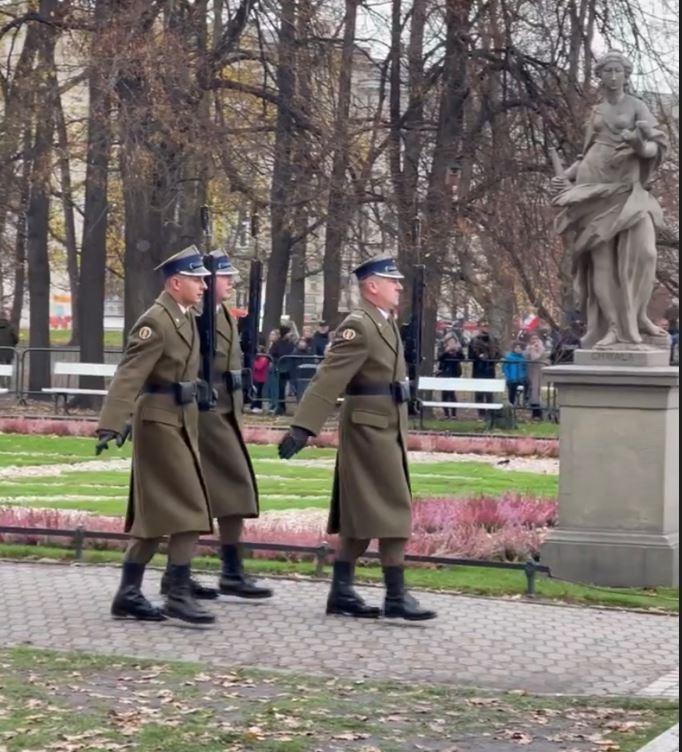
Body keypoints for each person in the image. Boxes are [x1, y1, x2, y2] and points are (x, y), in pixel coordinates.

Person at [278, 254, 436, 622]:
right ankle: (396, 595)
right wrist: (303, 427)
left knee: (360, 515)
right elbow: (328, 377)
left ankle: (342, 590)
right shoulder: (359, 325)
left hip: (386, 424)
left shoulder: (384, 322)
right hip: (369, 429)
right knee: (394, 509)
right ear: (371, 286)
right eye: (391, 280)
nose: (399, 286)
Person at [96, 246, 216, 625]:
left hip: (179, 420)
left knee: (154, 517)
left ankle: (128, 594)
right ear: (175, 282)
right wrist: (111, 422)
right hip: (160, 424)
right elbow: (130, 374)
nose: (204, 287)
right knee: (191, 508)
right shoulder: (157, 321)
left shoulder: (184, 317)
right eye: (197, 280)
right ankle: (177, 594)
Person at [552, 50, 668, 349]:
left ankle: (638, 317)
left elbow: (655, 147)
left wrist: (638, 144)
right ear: (601, 76)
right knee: (601, 261)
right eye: (608, 71)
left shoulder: (638, 106)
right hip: (593, 185)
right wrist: (566, 174)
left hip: (627, 189)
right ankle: (612, 328)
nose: (613, 76)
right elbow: (588, 151)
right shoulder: (596, 111)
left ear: (626, 75)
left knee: (646, 253)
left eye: (618, 71)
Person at [184, 250, 272, 600]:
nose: (231, 282)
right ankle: (185, 575)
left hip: (225, 411)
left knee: (230, 493)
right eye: (225, 277)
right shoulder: (196, 315)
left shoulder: (223, 315)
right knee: (203, 494)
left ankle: (229, 571)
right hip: (205, 415)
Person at [468, 322, 502, 418]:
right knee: (479, 393)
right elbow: (470, 356)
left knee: (489, 393)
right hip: (478, 368)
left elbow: (499, 353)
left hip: (490, 368)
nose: (485, 328)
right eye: (483, 326)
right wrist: (479, 356)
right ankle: (481, 413)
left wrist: (493, 359)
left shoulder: (493, 340)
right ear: (479, 327)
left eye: (487, 326)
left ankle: (490, 413)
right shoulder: (474, 340)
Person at [436, 335, 465, 418]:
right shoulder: (443, 348)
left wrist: (457, 351)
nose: (451, 343)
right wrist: (446, 352)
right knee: (444, 393)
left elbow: (462, 357)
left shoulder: (457, 350)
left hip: (454, 373)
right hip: (445, 372)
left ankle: (453, 414)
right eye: (450, 342)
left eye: (453, 342)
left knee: (452, 393)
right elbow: (440, 358)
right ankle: (446, 413)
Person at [270, 325, 295, 415]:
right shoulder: (277, 344)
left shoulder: (291, 343)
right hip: (280, 368)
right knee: (281, 388)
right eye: (289, 332)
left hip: (290, 368)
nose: (291, 334)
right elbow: (272, 354)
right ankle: (281, 406)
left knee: (292, 387)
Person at [525, 333, 547, 420]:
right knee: (532, 391)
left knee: (537, 391)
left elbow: (535, 357)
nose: (534, 340)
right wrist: (530, 349)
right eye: (532, 338)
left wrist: (533, 349)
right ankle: (534, 411)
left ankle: (538, 412)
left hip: (539, 372)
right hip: (530, 371)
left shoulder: (541, 348)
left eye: (536, 338)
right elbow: (526, 356)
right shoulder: (528, 348)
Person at [502, 342, 527, 407]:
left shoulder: (523, 359)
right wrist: (508, 377)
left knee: (527, 387)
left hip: (521, 379)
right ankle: (511, 404)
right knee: (512, 390)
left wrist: (524, 376)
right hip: (512, 378)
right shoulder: (509, 357)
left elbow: (525, 368)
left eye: (520, 348)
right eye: (516, 348)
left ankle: (524, 403)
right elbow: (505, 368)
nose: (518, 349)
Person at [251, 346, 271, 413]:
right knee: (256, 392)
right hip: (256, 377)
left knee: (258, 393)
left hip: (261, 378)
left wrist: (254, 362)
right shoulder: (258, 359)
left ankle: (258, 406)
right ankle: (254, 405)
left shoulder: (263, 359)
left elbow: (259, 367)